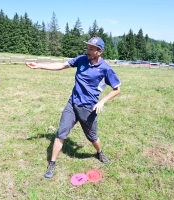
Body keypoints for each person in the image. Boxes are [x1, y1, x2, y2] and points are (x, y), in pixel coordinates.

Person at [26, 37, 121, 179]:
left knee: (92, 137)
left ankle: (99, 152)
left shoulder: (105, 69)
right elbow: (61, 65)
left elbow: (117, 89)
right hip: (72, 103)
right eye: (87, 47)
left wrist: (102, 102)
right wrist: (39, 65)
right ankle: (52, 162)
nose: (87, 51)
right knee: (61, 133)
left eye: (91, 49)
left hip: (88, 108)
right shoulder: (81, 59)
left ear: (99, 52)